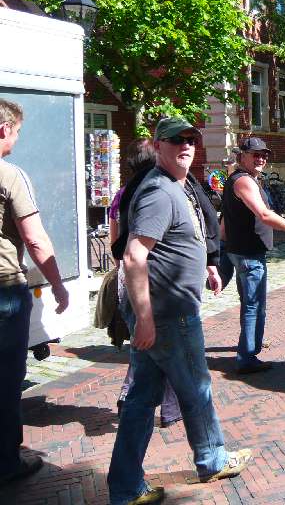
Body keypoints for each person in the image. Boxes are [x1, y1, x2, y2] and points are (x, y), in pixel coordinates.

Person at [108, 118, 250, 505]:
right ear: (158, 146)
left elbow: (179, 239)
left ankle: (124, 487)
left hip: (168, 311)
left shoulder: (175, 185)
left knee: (140, 401)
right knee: (197, 389)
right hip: (170, 315)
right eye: (176, 140)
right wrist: (146, 318)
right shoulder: (158, 190)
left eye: (191, 138)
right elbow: (135, 257)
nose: (185, 145)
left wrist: (204, 265)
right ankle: (211, 458)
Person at [0, 98, 69, 486]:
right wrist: (57, 284)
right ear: (3, 129)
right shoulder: (10, 175)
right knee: (6, 379)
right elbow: (35, 239)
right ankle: (7, 462)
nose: (17, 139)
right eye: (17, 132)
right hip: (4, 290)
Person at [108, 139, 181, 428]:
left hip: (126, 276)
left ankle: (132, 398)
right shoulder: (155, 191)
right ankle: (167, 408)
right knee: (165, 347)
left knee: (144, 346)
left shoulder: (121, 195)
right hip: (151, 276)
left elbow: (115, 242)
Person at [221, 137, 285, 374]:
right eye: (255, 154)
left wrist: (222, 245)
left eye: (264, 155)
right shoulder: (243, 181)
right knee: (254, 305)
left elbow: (224, 220)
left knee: (250, 304)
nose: (261, 159)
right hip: (248, 254)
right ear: (243, 156)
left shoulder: (243, 179)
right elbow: (264, 215)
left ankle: (248, 348)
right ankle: (247, 356)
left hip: (242, 252)